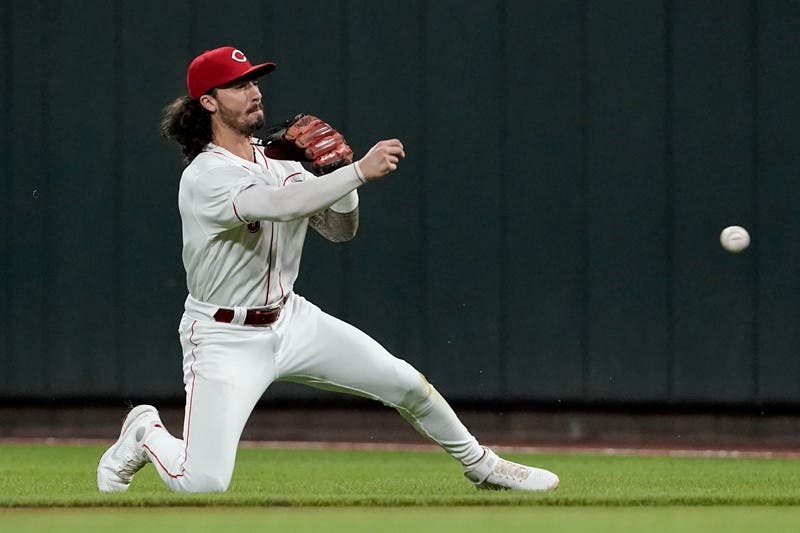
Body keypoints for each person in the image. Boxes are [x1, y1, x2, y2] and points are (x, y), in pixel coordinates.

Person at [96, 46, 559, 493]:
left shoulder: (278, 160)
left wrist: (336, 171)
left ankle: (483, 466)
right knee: (203, 483)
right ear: (209, 102)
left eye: (254, 81)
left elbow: (340, 229)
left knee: (405, 383)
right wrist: (356, 172)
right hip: (224, 336)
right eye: (238, 85)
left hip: (291, 319)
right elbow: (279, 204)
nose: (254, 91)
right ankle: (145, 432)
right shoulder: (205, 176)